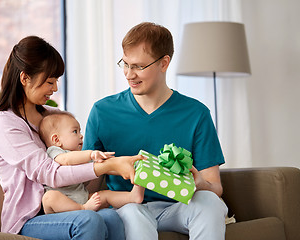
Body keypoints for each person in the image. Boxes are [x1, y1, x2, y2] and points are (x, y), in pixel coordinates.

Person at [0, 35, 144, 240]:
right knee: (89, 220)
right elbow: (49, 173)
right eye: (50, 81)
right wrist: (107, 167)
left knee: (112, 218)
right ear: (25, 78)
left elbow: (76, 159)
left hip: (68, 205)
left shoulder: (52, 115)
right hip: (29, 219)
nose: (55, 88)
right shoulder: (4, 124)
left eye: (56, 81)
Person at [83, 22, 228, 240]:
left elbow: (215, 187)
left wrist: (200, 185)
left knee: (211, 203)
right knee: (133, 214)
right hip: (130, 205)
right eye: (125, 64)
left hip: (180, 206)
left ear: (164, 63)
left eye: (139, 67)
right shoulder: (102, 112)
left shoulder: (196, 114)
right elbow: (88, 184)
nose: (129, 74)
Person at [38, 112, 145, 214]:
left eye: (80, 131)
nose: (81, 136)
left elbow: (105, 167)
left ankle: (133, 197)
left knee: (105, 195)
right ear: (56, 140)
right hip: (62, 204)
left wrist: (128, 168)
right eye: (75, 131)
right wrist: (91, 154)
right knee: (49, 197)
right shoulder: (54, 151)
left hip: (83, 197)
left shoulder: (78, 155)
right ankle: (82, 208)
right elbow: (66, 160)